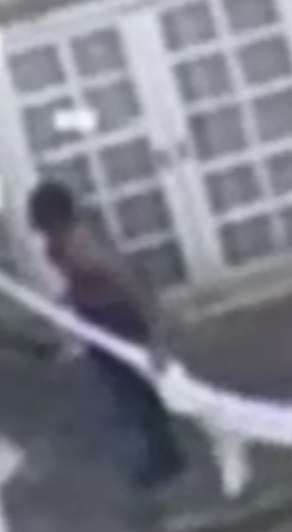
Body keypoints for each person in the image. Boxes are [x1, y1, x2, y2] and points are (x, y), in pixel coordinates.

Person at [27, 179, 187, 492]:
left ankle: (165, 457)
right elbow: (80, 283)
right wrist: (65, 306)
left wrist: (155, 334)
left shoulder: (79, 243)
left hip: (119, 319)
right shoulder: (56, 246)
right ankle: (161, 455)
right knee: (124, 390)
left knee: (137, 390)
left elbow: (126, 278)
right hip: (97, 320)